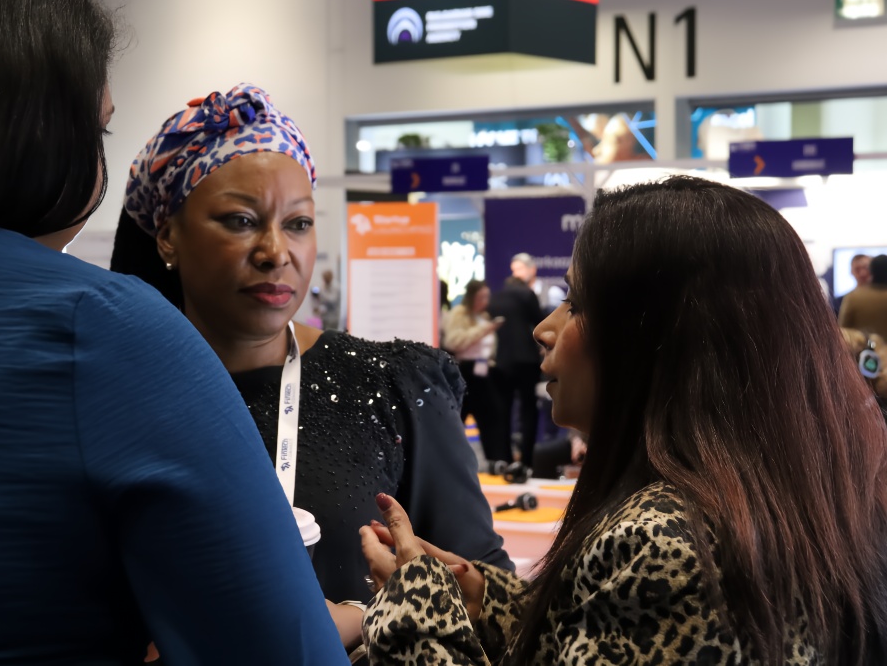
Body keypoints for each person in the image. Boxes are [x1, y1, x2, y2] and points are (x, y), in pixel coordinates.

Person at [0, 0, 348, 664]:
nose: (275, 252)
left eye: (299, 222)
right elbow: (285, 650)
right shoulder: (106, 332)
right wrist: (362, 617)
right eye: (97, 132)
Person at [359, 176, 887, 665]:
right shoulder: (791, 495)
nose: (545, 329)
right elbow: (610, 635)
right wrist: (482, 598)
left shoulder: (670, 542)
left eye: (575, 303)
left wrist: (415, 616)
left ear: (658, 339)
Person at [111, 84, 511, 655]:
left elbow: (487, 602)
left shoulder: (392, 385)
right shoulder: (119, 395)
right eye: (241, 220)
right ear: (168, 236)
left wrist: (363, 618)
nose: (276, 252)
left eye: (298, 224)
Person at [442, 279, 510, 463]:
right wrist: (483, 330)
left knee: (492, 419)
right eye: (481, 297)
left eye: (487, 297)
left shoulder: (485, 316)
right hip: (465, 371)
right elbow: (453, 342)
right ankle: (450, 463)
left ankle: (496, 463)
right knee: (458, 419)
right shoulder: (460, 314)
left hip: (484, 371)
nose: (485, 301)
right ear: (472, 296)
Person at [488, 276, 544, 468]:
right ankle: (527, 460)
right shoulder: (527, 294)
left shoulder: (494, 298)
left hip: (501, 361)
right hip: (526, 359)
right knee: (528, 409)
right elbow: (540, 323)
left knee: (503, 410)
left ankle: (505, 458)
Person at [840, 254, 887, 340]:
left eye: (866, 268)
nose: (863, 273)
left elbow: (843, 330)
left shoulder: (852, 298)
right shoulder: (842, 300)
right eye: (858, 269)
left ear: (872, 270)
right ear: (851, 271)